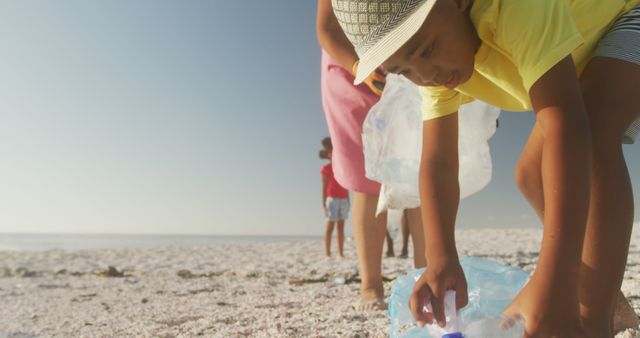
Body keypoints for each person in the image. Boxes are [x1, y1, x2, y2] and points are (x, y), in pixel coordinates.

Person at [330, 0, 640, 336]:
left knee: (592, 133)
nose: (426, 75)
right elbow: (438, 162)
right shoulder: (431, 71)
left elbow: (567, 126)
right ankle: (603, 293)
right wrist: (441, 258)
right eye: (404, 71)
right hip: (583, 48)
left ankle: (592, 321)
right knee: (531, 175)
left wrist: (556, 284)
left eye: (429, 48)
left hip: (627, 15)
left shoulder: (516, 10)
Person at [316, 0, 427, 311]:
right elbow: (326, 29)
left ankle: (427, 273)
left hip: (409, 62)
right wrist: (359, 68)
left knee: (420, 174)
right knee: (365, 179)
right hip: (350, 70)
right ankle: (371, 284)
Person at [319, 137, 350, 259]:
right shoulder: (325, 169)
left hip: (343, 199)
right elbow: (324, 187)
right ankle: (327, 253)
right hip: (331, 199)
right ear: (328, 154)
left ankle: (340, 253)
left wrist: (348, 199)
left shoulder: (343, 167)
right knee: (330, 226)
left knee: (341, 227)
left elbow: (346, 184)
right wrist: (324, 204)